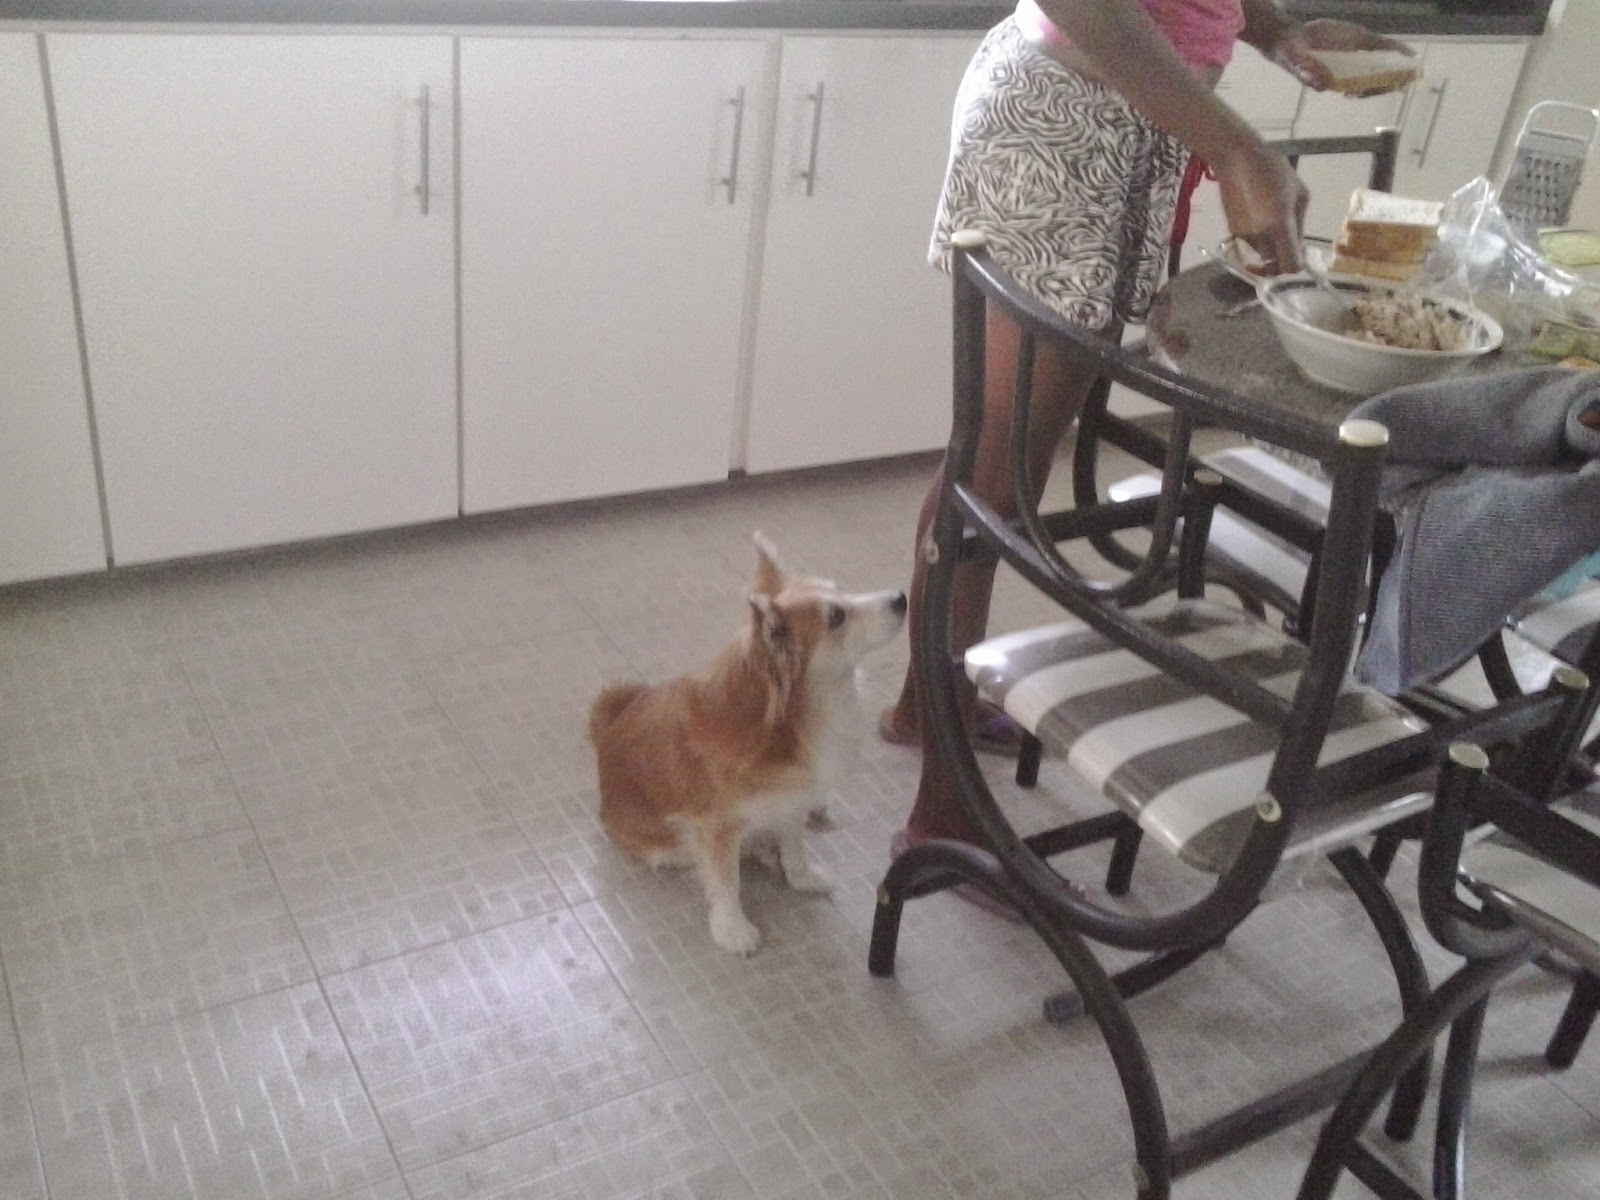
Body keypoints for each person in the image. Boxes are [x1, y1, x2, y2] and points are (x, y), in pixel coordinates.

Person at [880, 0, 1414, 881]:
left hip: (1132, 127)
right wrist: (1235, 147)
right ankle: (942, 807)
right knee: (993, 480)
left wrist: (1275, 31)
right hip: (1072, 126)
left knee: (1009, 467)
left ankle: (924, 708)